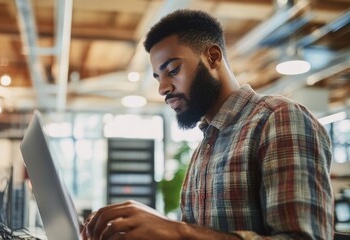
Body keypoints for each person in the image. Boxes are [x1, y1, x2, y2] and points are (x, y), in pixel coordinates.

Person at [81, 9, 334, 240]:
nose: (162, 88)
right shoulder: (205, 149)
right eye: (158, 77)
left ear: (212, 57)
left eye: (173, 69)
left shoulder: (278, 119)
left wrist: (177, 231)